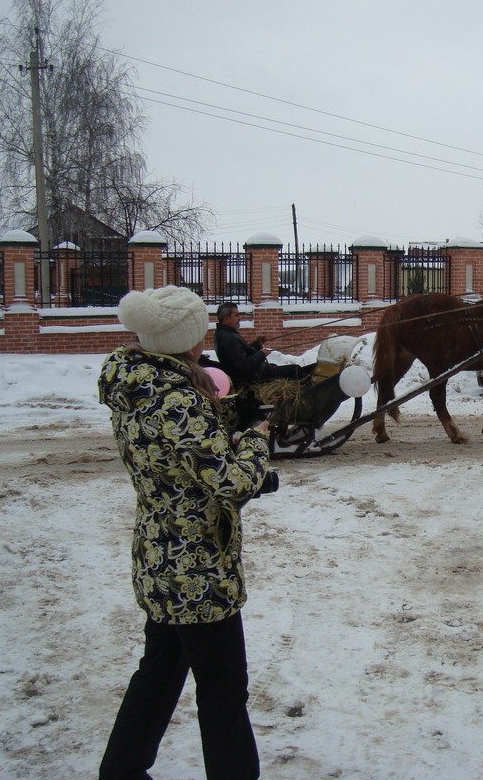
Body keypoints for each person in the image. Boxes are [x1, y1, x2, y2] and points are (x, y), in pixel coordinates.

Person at [99, 285, 274, 780]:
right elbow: (231, 480)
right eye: (199, 333)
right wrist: (256, 441)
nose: (205, 341)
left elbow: (181, 462)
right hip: (197, 569)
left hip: (160, 554)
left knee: (157, 675)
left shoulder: (137, 384)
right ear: (184, 338)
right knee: (223, 694)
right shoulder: (175, 400)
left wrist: (224, 432)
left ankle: (121, 771)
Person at [213, 301, 313, 385]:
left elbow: (242, 353)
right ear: (226, 318)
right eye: (236, 315)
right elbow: (242, 367)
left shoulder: (224, 334)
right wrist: (261, 354)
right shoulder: (229, 338)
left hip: (254, 374)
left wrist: (257, 344)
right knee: (296, 370)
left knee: (281, 368)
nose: (240, 318)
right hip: (253, 377)